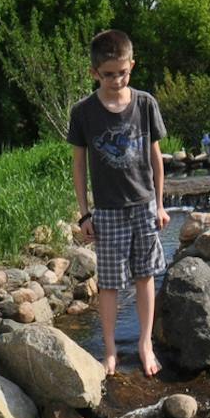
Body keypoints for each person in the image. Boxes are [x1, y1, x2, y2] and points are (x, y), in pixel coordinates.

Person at [67, 28, 170, 377]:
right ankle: (110, 349)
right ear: (94, 72)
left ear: (132, 66)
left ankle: (145, 343)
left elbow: (156, 158)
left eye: (122, 72)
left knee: (145, 277)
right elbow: (79, 165)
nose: (116, 79)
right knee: (109, 283)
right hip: (108, 211)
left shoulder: (145, 104)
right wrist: (85, 213)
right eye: (108, 74)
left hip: (143, 206)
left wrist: (160, 204)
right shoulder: (83, 112)